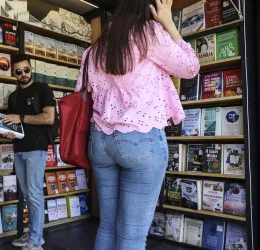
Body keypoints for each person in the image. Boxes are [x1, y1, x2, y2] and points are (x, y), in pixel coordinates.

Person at [75, 0, 200, 249]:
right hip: (140, 139)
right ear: (150, 7)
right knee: (132, 236)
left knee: (107, 226)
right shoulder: (149, 33)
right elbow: (190, 68)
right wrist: (168, 23)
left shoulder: (96, 48)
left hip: (100, 140)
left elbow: (84, 92)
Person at [1, 56, 56, 250]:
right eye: (18, 72)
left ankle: (35, 241)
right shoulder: (14, 97)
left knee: (33, 194)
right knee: (26, 194)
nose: (23, 75)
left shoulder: (43, 88)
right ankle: (34, 234)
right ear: (13, 73)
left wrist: (21, 117)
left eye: (26, 70)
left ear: (31, 69)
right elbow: (14, 123)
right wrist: (9, 131)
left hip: (36, 148)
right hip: (18, 149)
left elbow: (49, 118)